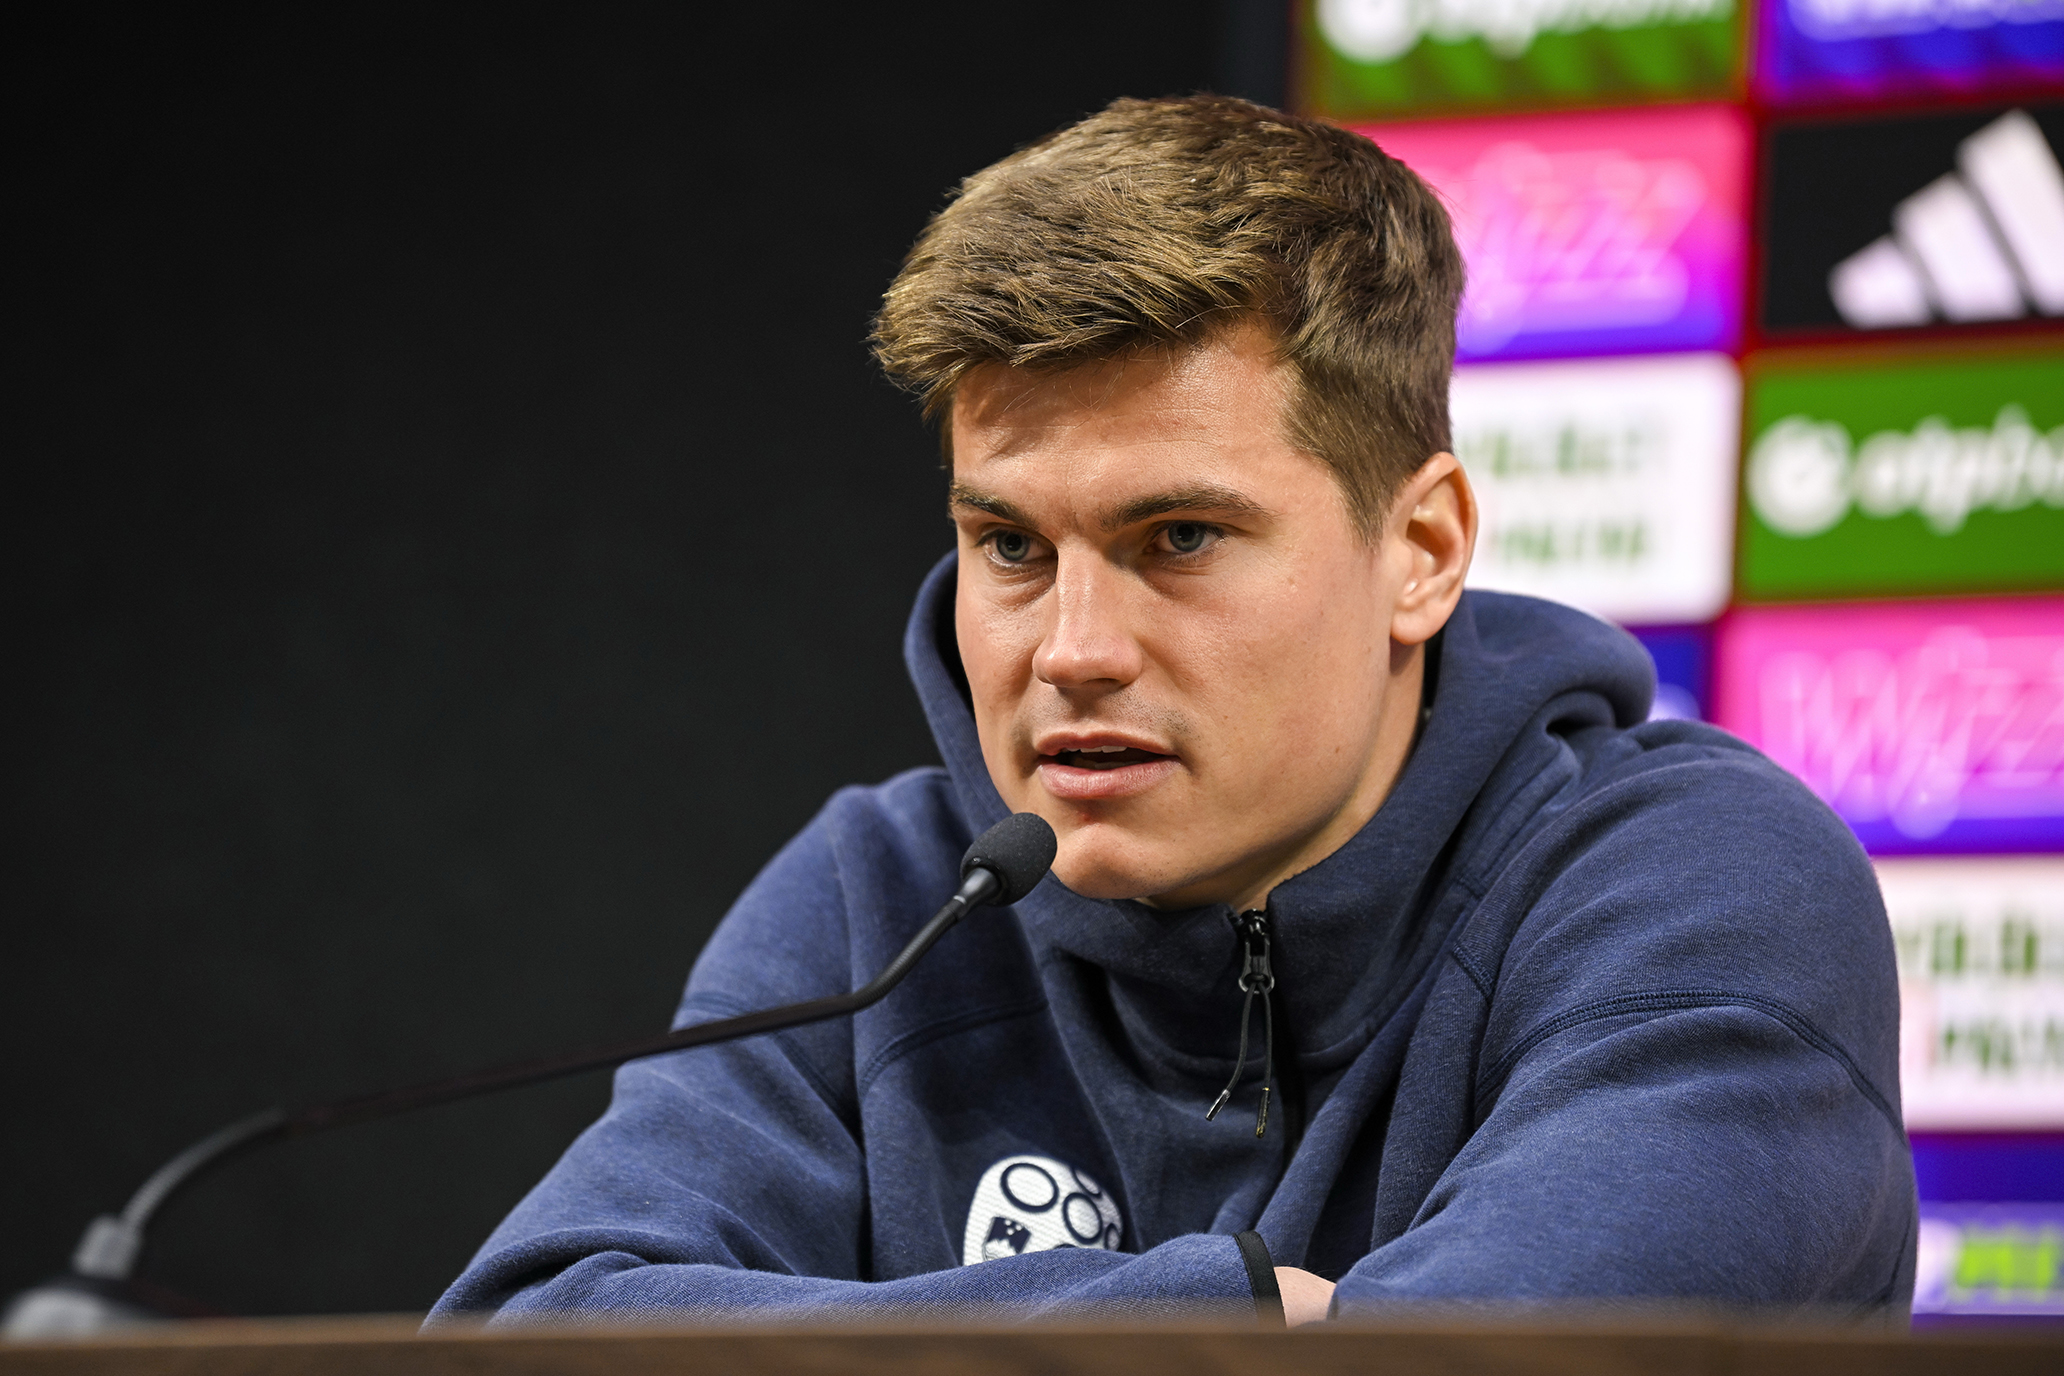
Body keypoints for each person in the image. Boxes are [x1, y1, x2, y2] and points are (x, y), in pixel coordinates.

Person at [429, 96, 1915, 1328]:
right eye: (1011, 546)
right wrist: (1233, 1315)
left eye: (1181, 537)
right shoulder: (885, 894)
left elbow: (1475, 1369)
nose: (1073, 651)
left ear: (1422, 550)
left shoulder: (1693, 881)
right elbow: (530, 1333)